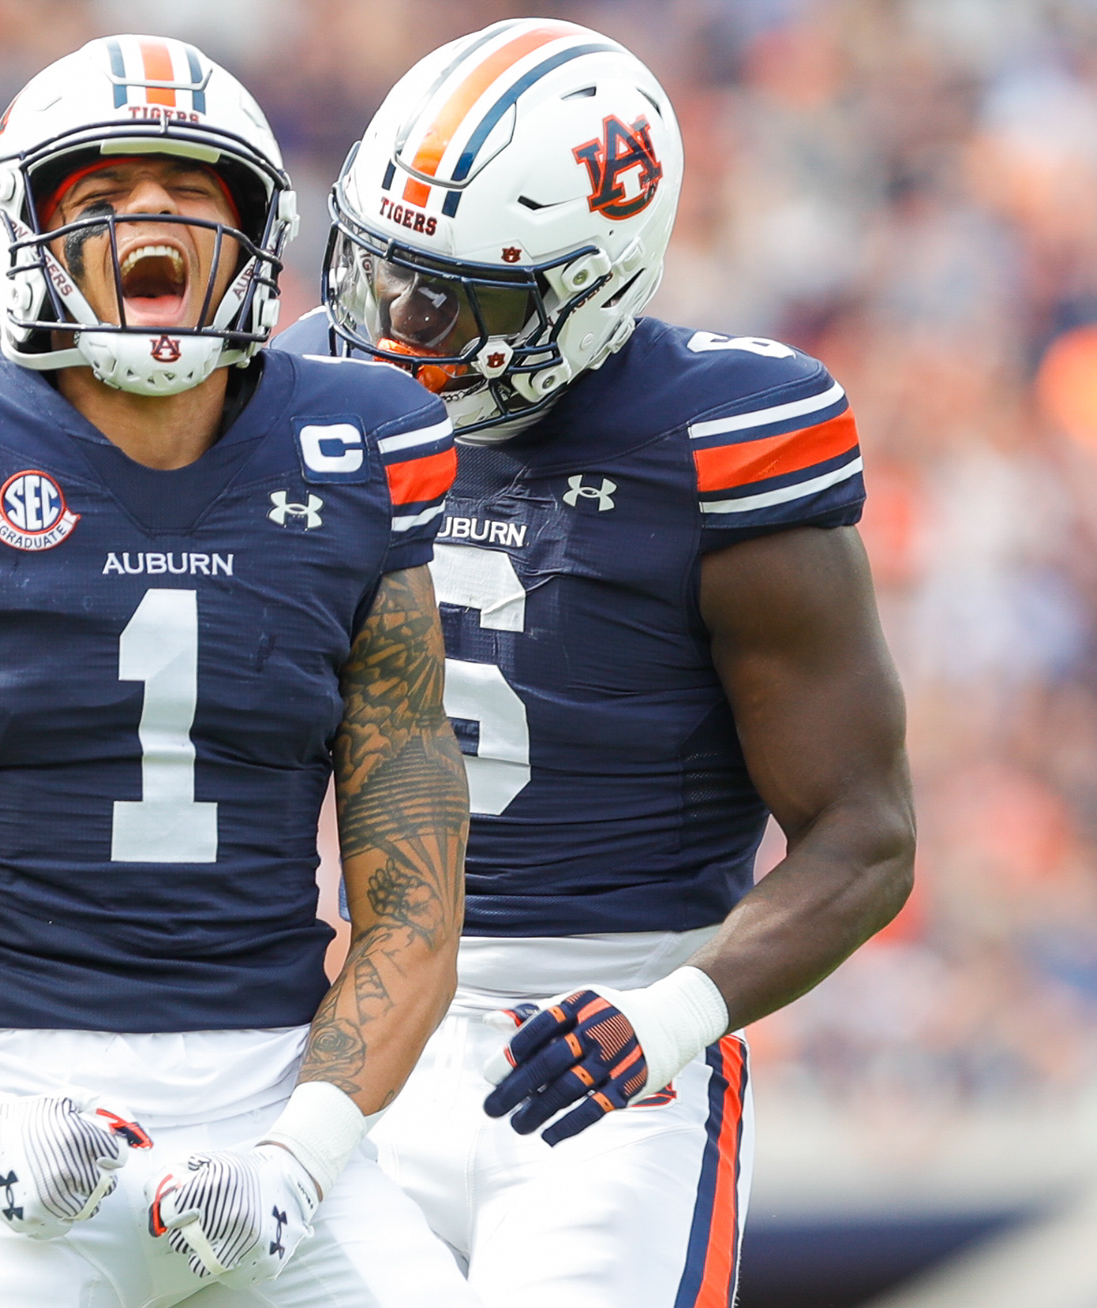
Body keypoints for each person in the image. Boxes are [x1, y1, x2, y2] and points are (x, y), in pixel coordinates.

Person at [0, 35, 482, 1308]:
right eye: (102, 195)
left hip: (274, 1117)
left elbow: (415, 903)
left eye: (193, 191)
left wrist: (304, 1155)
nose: (154, 217)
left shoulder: (355, 456)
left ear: (257, 234)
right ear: (21, 232)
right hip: (15, 1129)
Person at [274, 18, 916, 1307]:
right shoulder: (305, 402)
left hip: (614, 1055)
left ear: (596, 287)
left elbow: (865, 835)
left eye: (462, 297)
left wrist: (666, 1018)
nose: (401, 328)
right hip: (357, 1027)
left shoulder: (718, 439)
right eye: (388, 273)